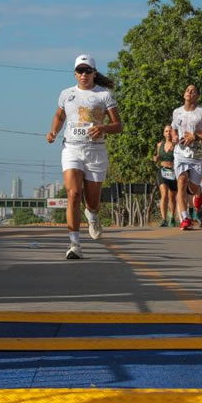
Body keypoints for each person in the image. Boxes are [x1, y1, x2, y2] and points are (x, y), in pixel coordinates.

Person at [46, 54, 122, 259]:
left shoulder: (104, 95)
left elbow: (118, 125)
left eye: (87, 71)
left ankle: (93, 215)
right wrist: (53, 131)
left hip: (95, 151)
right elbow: (59, 115)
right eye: (80, 71)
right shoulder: (66, 94)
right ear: (75, 74)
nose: (84, 74)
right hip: (71, 149)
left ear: (94, 73)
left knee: (92, 201)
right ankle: (75, 245)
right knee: (73, 194)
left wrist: (103, 128)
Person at [171, 84, 202, 230]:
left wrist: (195, 137)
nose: (189, 92)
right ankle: (185, 218)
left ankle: (197, 193)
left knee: (193, 187)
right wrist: (174, 137)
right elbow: (173, 128)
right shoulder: (177, 112)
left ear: (198, 96)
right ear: (184, 94)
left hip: (198, 157)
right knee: (181, 182)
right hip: (181, 154)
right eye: (187, 90)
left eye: (193, 91)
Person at [152, 125, 177, 227]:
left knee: (172, 197)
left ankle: (172, 217)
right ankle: (164, 219)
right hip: (162, 171)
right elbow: (158, 155)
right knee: (164, 194)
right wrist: (156, 158)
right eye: (166, 131)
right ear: (163, 133)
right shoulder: (160, 145)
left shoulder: (177, 145)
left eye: (170, 131)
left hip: (173, 171)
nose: (168, 133)